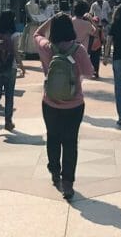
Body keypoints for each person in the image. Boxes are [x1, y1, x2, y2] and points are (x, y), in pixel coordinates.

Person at [34, 13, 95, 199]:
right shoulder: (79, 50)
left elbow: (37, 33)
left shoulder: (47, 47)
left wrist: (50, 20)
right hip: (74, 104)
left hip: (50, 102)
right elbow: (89, 72)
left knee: (53, 137)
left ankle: (54, 171)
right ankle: (67, 182)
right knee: (70, 142)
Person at [0, 10, 25, 136]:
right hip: (10, 68)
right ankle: (8, 121)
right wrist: (22, 66)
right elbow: (15, 52)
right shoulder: (14, 34)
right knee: (9, 95)